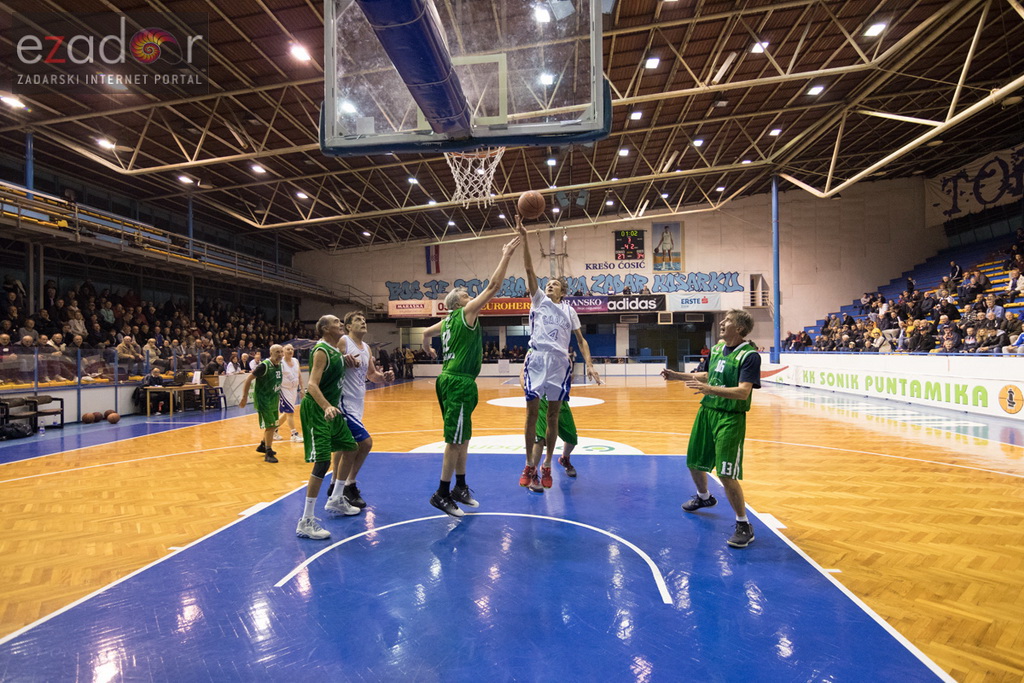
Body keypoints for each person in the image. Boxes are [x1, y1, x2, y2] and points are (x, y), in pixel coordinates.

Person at [421, 233, 521, 517]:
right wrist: (506, 254)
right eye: (466, 294)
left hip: (449, 379)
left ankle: (460, 487)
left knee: (462, 437)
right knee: (454, 439)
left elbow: (428, 331)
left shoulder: (447, 320)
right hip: (459, 382)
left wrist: (427, 344)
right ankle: (441, 493)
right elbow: (493, 286)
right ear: (460, 302)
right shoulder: (464, 313)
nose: (471, 296)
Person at [661, 309, 761, 549]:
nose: (723, 323)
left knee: (726, 473)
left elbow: (743, 391)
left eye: (728, 321)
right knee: (694, 461)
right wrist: (677, 376)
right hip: (707, 412)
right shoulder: (716, 349)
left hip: (730, 417)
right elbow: (709, 374)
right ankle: (705, 498)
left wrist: (712, 390)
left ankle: (743, 524)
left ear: (739, 328)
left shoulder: (749, 356)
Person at [516, 216, 600, 491]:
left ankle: (548, 464)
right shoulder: (538, 299)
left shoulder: (570, 310)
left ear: (563, 292)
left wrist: (589, 363)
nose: (549, 285)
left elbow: (581, 340)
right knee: (532, 415)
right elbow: (529, 268)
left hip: (561, 363)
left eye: (554, 284)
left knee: (553, 416)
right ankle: (529, 465)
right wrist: (525, 237)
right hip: (538, 358)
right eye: (548, 283)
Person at [324, 311, 395, 514]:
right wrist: (341, 360)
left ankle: (334, 486)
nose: (363, 322)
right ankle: (348, 485)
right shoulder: (344, 341)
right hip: (343, 401)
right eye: (358, 320)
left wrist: (385, 377)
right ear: (347, 326)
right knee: (364, 443)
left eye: (364, 320)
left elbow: (371, 374)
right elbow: (327, 361)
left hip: (357, 403)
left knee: (343, 446)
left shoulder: (367, 349)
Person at [295, 315, 359, 539]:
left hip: (332, 410)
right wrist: (326, 407)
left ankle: (337, 498)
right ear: (324, 328)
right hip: (318, 410)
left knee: (351, 447)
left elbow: (338, 370)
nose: (340, 323)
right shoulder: (321, 351)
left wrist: (348, 360)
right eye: (335, 322)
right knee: (322, 462)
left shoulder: (335, 351)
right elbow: (311, 384)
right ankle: (306, 521)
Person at [520, 365, 579, 478]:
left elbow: (570, 376)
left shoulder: (561, 353)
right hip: (541, 401)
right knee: (539, 439)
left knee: (572, 438)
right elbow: (522, 374)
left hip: (559, 401)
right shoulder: (534, 351)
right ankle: (532, 474)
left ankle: (564, 459)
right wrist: (528, 389)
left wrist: (567, 377)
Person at [239, 344, 284, 463]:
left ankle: (263, 445)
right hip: (264, 399)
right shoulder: (264, 366)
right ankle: (268, 452)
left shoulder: (279, 365)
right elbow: (248, 379)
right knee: (270, 425)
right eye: (277, 352)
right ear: (271, 353)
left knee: (274, 424)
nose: (280, 354)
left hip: (273, 398)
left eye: (281, 352)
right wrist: (244, 397)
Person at [277, 344, 304, 442]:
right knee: (290, 412)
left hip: (293, 389)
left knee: (288, 412)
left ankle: (274, 430)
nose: (290, 351)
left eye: (292, 349)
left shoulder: (296, 361)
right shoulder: (280, 362)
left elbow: (299, 375)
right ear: (283, 351)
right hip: (284, 389)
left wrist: (302, 388)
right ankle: (294, 434)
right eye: (288, 349)